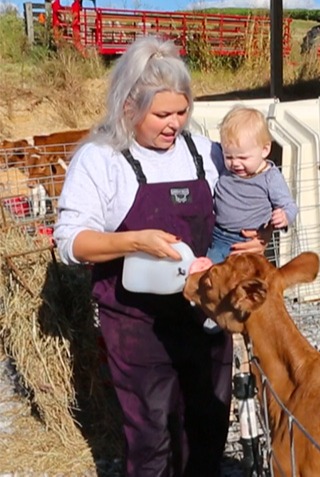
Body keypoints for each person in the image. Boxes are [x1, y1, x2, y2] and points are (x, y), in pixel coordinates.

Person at [52, 36, 273, 476]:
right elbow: (69, 243)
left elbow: (240, 208)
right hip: (138, 326)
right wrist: (134, 241)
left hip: (206, 314)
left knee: (207, 425)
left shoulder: (206, 153)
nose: (175, 123)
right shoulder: (102, 160)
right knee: (151, 434)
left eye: (182, 110)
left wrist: (255, 237)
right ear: (129, 107)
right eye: (162, 114)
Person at [207, 105, 297, 265]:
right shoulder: (226, 168)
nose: (235, 163)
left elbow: (289, 205)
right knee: (211, 278)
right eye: (229, 156)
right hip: (216, 235)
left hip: (245, 241)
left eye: (243, 157)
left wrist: (283, 216)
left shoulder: (270, 177)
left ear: (264, 150)